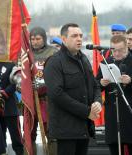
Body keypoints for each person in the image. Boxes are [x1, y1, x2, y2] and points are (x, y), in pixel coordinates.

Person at [44, 23, 102, 155]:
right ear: (64, 39)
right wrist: (86, 111)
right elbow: (57, 94)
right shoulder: (54, 62)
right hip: (66, 129)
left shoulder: (84, 59)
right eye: (74, 36)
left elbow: (95, 85)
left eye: (81, 35)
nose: (79, 39)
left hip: (84, 127)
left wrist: (98, 102)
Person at [96, 35, 132, 155]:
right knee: (114, 146)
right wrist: (101, 83)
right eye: (114, 50)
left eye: (120, 50)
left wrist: (131, 80)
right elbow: (95, 85)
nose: (117, 53)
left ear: (127, 48)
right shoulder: (106, 62)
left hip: (130, 110)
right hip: (112, 111)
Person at [29, 26, 58, 153]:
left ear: (44, 38)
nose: (35, 42)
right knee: (29, 134)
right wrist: (19, 83)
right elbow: (17, 72)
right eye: (32, 39)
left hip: (47, 100)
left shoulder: (53, 52)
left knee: (51, 133)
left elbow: (58, 74)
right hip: (30, 100)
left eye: (38, 39)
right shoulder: (26, 53)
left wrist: (43, 84)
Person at [0, 61, 24, 155]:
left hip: (9, 106)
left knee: (16, 136)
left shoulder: (11, 64)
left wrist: (2, 94)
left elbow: (15, 84)